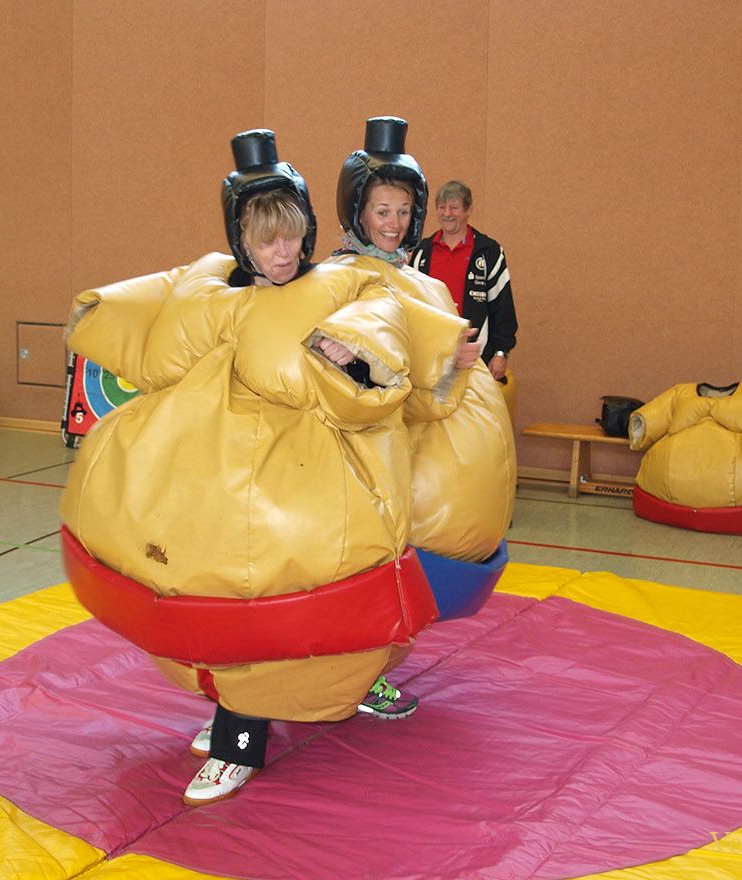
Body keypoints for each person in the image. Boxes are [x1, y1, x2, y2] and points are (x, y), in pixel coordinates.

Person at [61, 130, 461, 807]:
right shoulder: (212, 288)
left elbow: (383, 320)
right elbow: (155, 324)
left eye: (291, 238)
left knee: (273, 589)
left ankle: (239, 739)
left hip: (306, 481)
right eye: (266, 241)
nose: (282, 253)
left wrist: (351, 351)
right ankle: (234, 706)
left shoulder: (337, 283)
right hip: (215, 468)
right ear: (241, 240)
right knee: (209, 582)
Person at [330, 118, 516, 610]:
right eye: (382, 211)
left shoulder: (417, 279)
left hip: (433, 508)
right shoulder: (344, 278)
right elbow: (359, 386)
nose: (393, 223)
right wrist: (441, 365)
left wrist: (458, 361)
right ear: (358, 212)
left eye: (403, 211)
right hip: (383, 490)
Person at [410, 180, 518, 381]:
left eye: (454, 207)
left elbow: (503, 305)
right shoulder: (422, 252)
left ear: (468, 210)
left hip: (476, 359)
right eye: (442, 207)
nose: (447, 213)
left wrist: (501, 352)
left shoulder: (489, 252)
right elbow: (409, 305)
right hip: (430, 357)